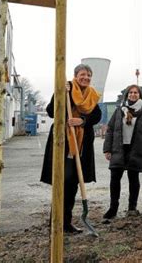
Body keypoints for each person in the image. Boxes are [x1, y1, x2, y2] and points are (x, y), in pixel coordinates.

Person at [41, 64, 102, 234]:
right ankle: (56, 221)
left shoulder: (91, 94)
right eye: (83, 74)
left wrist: (82, 120)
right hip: (63, 143)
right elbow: (51, 112)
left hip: (81, 146)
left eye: (89, 75)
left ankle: (66, 223)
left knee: (73, 183)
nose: (86, 78)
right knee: (62, 182)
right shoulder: (66, 89)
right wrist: (60, 92)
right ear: (76, 76)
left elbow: (97, 116)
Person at [102, 84, 142, 222]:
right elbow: (110, 130)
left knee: (134, 179)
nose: (133, 94)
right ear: (127, 95)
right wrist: (107, 149)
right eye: (131, 92)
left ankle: (132, 208)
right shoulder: (119, 111)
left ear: (140, 95)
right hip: (119, 149)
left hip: (136, 149)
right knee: (115, 178)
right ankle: (113, 208)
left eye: (136, 93)